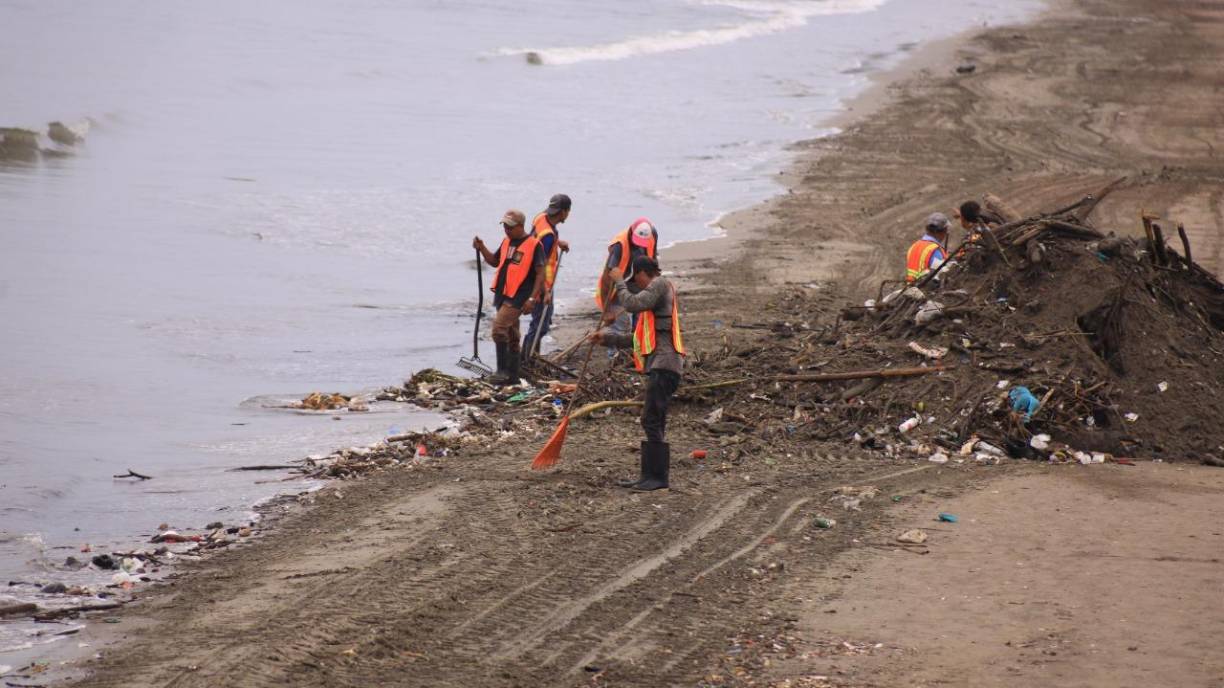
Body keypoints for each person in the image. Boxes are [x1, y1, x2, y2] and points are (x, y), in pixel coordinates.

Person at [590, 256, 684, 492]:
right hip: (661, 365)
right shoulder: (651, 307)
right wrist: (607, 338)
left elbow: (631, 304)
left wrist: (619, 281)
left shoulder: (660, 284)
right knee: (655, 417)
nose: (638, 285)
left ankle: (657, 477)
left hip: (666, 364)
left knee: (650, 418)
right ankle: (649, 476)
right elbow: (637, 340)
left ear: (644, 272)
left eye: (637, 279)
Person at [472, 209, 545, 385]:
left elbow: (541, 274)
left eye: (510, 227)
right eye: (504, 226)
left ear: (521, 226)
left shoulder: (534, 245)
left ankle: (502, 371)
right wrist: (482, 248)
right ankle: (513, 374)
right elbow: (495, 262)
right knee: (512, 333)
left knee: (498, 329)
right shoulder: (506, 242)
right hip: (503, 293)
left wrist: (532, 299)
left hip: (520, 296)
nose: (506, 230)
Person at [522, 193, 572, 357]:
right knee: (541, 323)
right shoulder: (548, 235)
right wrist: (545, 291)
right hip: (540, 283)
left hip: (534, 279)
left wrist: (558, 242)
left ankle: (531, 355)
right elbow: (538, 264)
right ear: (564, 212)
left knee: (541, 320)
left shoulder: (541, 218)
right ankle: (527, 358)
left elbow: (535, 242)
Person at [905, 212, 950, 284]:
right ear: (943, 231)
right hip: (925, 291)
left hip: (909, 289)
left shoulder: (914, 246)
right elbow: (941, 276)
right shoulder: (935, 250)